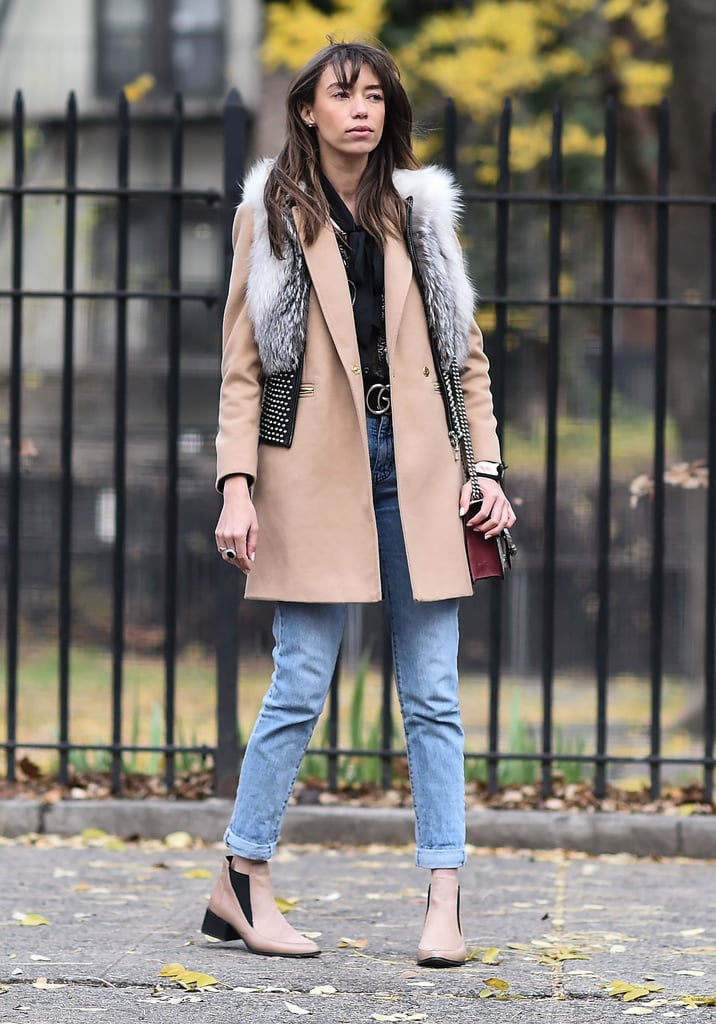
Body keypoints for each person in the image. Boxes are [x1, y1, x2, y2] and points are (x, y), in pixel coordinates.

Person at [203, 40, 516, 967]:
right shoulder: (270, 214)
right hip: (310, 477)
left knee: (433, 697)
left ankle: (444, 902)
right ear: (307, 110)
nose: (362, 110)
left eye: (375, 95)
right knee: (300, 681)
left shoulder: (422, 215)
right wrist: (236, 485)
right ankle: (242, 879)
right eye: (343, 94)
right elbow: (242, 368)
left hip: (421, 474)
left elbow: (466, 358)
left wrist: (487, 469)